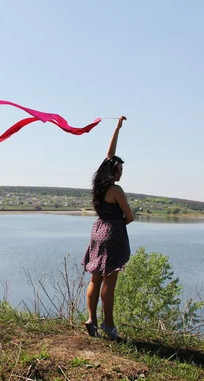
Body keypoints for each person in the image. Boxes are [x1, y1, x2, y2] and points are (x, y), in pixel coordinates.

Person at [82, 116, 134, 339]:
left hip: (97, 231)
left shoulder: (98, 186)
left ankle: (91, 319)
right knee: (109, 282)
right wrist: (120, 223)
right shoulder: (116, 190)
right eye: (119, 170)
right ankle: (109, 325)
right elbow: (129, 216)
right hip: (112, 232)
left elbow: (108, 156)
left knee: (95, 278)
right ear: (112, 172)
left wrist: (117, 128)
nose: (120, 173)